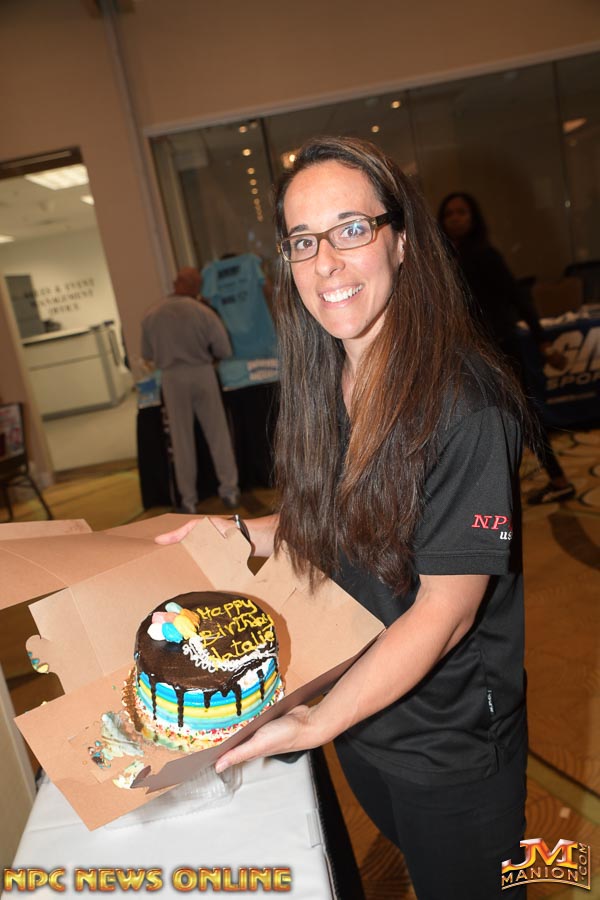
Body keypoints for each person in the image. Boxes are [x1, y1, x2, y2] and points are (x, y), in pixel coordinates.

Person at [157, 138, 529, 898]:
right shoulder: (329, 373)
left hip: (449, 740)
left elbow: (447, 613)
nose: (325, 261)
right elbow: (331, 514)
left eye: (351, 229)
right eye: (303, 240)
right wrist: (241, 532)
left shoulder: (464, 403)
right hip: (362, 706)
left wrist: (318, 723)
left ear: (401, 240)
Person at [438, 191, 576, 505]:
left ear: (474, 218)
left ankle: (559, 480)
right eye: (449, 213)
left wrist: (542, 341)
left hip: (500, 347)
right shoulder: (447, 258)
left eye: (462, 212)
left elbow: (517, 297)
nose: (455, 218)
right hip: (472, 351)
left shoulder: (485, 255)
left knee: (523, 416)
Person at [141, 266, 240, 513]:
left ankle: (188, 500)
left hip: (172, 377)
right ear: (194, 285)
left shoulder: (152, 315)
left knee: (181, 439)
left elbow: (147, 354)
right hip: (202, 371)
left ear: (176, 283)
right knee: (218, 434)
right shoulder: (203, 312)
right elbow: (223, 348)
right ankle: (229, 489)